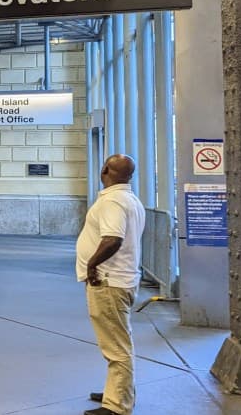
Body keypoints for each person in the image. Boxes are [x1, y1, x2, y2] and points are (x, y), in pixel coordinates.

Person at [76, 154, 145, 415]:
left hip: (108, 281)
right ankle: (119, 392)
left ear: (105, 169)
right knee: (119, 340)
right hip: (120, 279)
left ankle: (117, 406)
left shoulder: (113, 202)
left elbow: (112, 239)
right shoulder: (130, 199)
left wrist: (91, 265)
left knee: (116, 346)